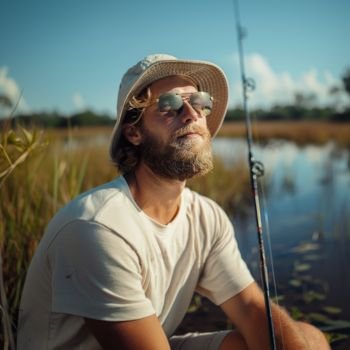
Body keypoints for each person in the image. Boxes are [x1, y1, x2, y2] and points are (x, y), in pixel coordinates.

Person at [17, 54, 330, 350]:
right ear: (133, 133)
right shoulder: (98, 226)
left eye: (199, 102)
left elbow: (248, 307)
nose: (192, 113)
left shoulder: (207, 217)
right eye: (169, 104)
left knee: (309, 339)